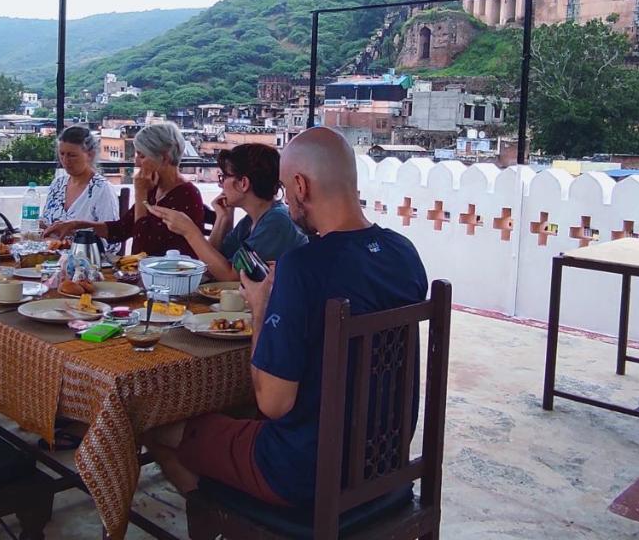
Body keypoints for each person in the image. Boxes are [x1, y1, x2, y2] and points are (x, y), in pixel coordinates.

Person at [148, 127, 428, 507]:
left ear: (300, 185)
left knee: (157, 425)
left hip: (301, 472)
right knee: (233, 415)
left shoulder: (303, 267)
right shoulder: (405, 253)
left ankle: (224, 521)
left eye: (284, 187)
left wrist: (262, 306)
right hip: (382, 460)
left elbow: (273, 403)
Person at [148, 143, 306, 281]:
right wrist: (223, 218)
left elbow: (230, 276)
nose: (220, 185)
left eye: (223, 178)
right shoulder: (251, 221)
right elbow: (213, 265)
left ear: (243, 183)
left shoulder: (276, 222)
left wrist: (189, 231)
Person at [44, 122, 203, 257]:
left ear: (165, 157)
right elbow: (120, 230)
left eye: (142, 156)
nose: (137, 163)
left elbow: (142, 251)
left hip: (167, 281)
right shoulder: (155, 189)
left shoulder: (186, 195)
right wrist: (74, 225)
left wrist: (141, 194)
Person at [39, 125, 120, 229]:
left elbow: (111, 239)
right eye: (62, 154)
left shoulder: (102, 190)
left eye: (72, 155)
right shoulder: (58, 184)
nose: (65, 160)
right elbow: (46, 220)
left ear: (90, 155)